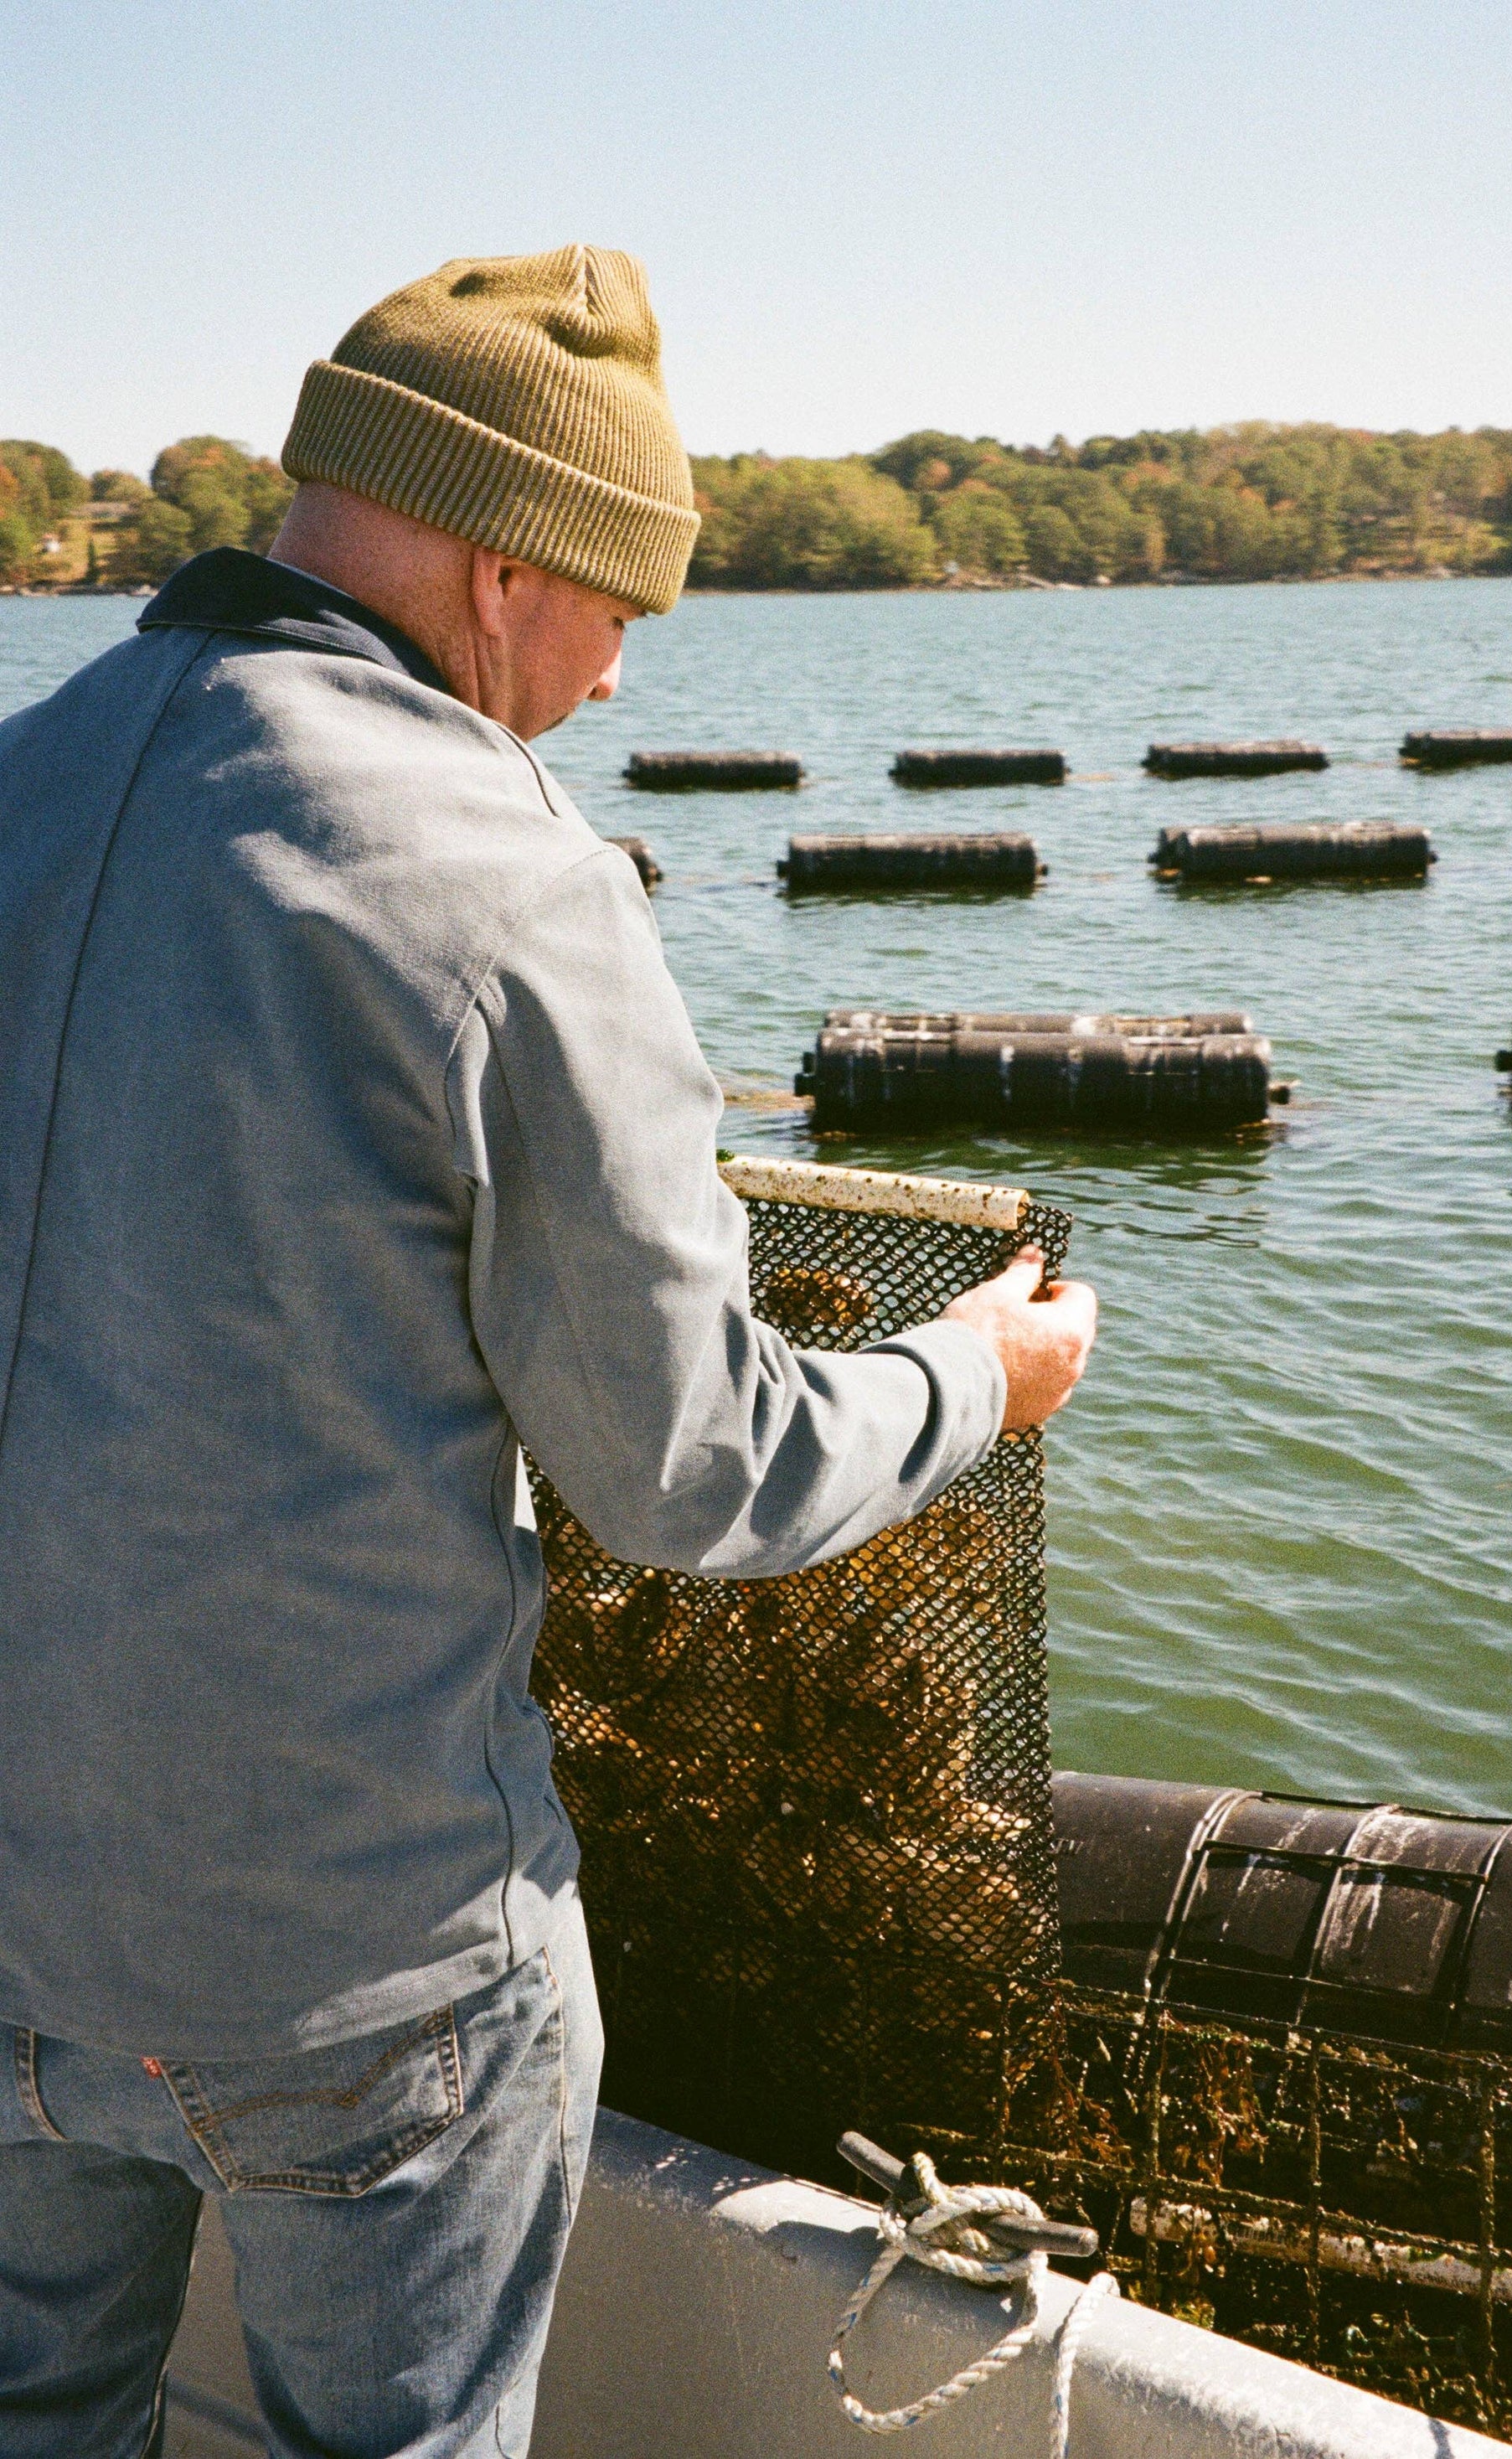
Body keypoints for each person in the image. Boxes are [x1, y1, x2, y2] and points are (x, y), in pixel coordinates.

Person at [0, 247, 1097, 2458]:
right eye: (617, 612)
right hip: (357, 1976)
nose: (604, 687)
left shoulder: (25, 773)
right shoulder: (507, 882)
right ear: (507, 568)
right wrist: (976, 1378)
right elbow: (692, 1470)